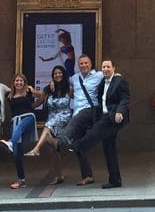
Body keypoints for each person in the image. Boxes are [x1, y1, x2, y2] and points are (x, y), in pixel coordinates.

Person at [67, 59, 130, 189]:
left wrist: (120, 111)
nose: (106, 69)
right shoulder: (102, 82)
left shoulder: (119, 81)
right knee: (108, 149)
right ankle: (115, 180)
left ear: (113, 68)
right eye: (103, 67)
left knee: (96, 129)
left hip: (114, 117)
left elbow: (125, 98)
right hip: (104, 115)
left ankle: (79, 145)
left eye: (108, 66)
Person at [56, 54, 103, 186]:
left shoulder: (98, 76)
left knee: (75, 121)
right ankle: (87, 176)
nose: (83, 65)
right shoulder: (75, 78)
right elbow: (61, 80)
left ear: (91, 64)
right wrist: (51, 83)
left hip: (90, 111)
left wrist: (117, 75)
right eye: (81, 63)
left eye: (86, 63)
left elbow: (110, 75)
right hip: (77, 113)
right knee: (79, 146)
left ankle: (62, 139)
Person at [24, 65, 74, 185]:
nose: (58, 75)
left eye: (60, 73)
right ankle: (59, 175)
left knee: (47, 127)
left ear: (64, 74)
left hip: (64, 118)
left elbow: (80, 98)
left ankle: (36, 149)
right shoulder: (48, 90)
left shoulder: (69, 88)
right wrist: (23, 107)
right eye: (55, 74)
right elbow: (37, 103)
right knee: (53, 150)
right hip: (52, 118)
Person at [0, 73, 44, 189]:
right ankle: (21, 180)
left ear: (24, 82)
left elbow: (43, 95)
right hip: (15, 120)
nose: (19, 83)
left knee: (19, 129)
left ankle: (10, 142)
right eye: (17, 81)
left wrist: (35, 101)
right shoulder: (9, 95)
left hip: (28, 117)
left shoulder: (28, 91)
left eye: (21, 81)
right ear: (13, 82)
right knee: (16, 153)